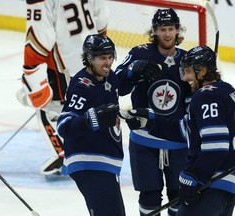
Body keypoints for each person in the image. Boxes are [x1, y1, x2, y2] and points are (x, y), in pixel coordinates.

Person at [121, 45, 235, 216]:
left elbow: (216, 146)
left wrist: (194, 176)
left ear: (202, 71)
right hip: (226, 186)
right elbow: (185, 130)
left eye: (189, 72)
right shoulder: (225, 90)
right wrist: (151, 122)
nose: (185, 78)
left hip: (213, 185)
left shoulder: (206, 96)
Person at [16, 0, 110, 175]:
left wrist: (32, 73)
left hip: (64, 64)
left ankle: (64, 154)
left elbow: (39, 36)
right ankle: (89, 151)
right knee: (84, 105)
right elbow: (102, 16)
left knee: (45, 105)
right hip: (91, 56)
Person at [115, 8, 192, 215]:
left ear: (177, 30)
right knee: (149, 196)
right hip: (144, 138)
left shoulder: (187, 59)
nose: (167, 34)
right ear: (154, 31)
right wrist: (132, 70)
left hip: (177, 139)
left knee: (179, 194)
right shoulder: (139, 53)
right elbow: (118, 86)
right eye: (162, 29)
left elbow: (195, 97)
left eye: (171, 29)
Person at [56, 34, 126, 216]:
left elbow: (122, 83)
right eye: (103, 58)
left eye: (110, 56)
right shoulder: (82, 86)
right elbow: (64, 126)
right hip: (88, 161)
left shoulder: (109, 78)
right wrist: (90, 118)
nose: (108, 62)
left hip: (104, 160)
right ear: (89, 58)